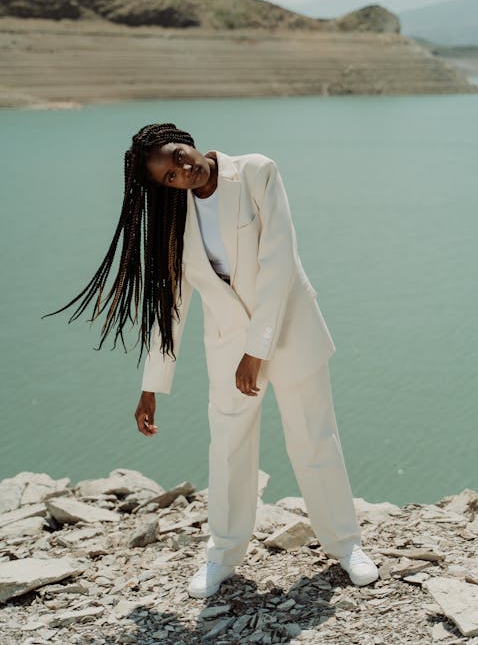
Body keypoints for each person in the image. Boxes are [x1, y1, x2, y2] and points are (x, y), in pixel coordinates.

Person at [44, 122, 379, 598]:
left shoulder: (258, 171)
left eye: (179, 156)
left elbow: (279, 261)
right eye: (170, 177)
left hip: (288, 333)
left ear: (188, 140)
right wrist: (151, 386)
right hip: (227, 348)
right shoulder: (173, 220)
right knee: (227, 450)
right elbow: (172, 305)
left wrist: (255, 351)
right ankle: (223, 554)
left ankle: (346, 545)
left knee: (314, 439)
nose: (183, 170)